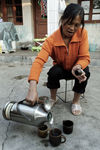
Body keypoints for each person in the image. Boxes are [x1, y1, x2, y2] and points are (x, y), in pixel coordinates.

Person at [26, 3, 90, 115]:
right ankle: (53, 98)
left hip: (75, 69)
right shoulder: (52, 40)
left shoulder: (82, 34)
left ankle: (76, 101)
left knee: (86, 72)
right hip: (62, 69)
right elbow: (39, 61)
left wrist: (78, 67)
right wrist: (32, 87)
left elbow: (84, 57)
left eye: (76, 25)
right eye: (69, 23)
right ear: (62, 19)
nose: (72, 28)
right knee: (53, 72)